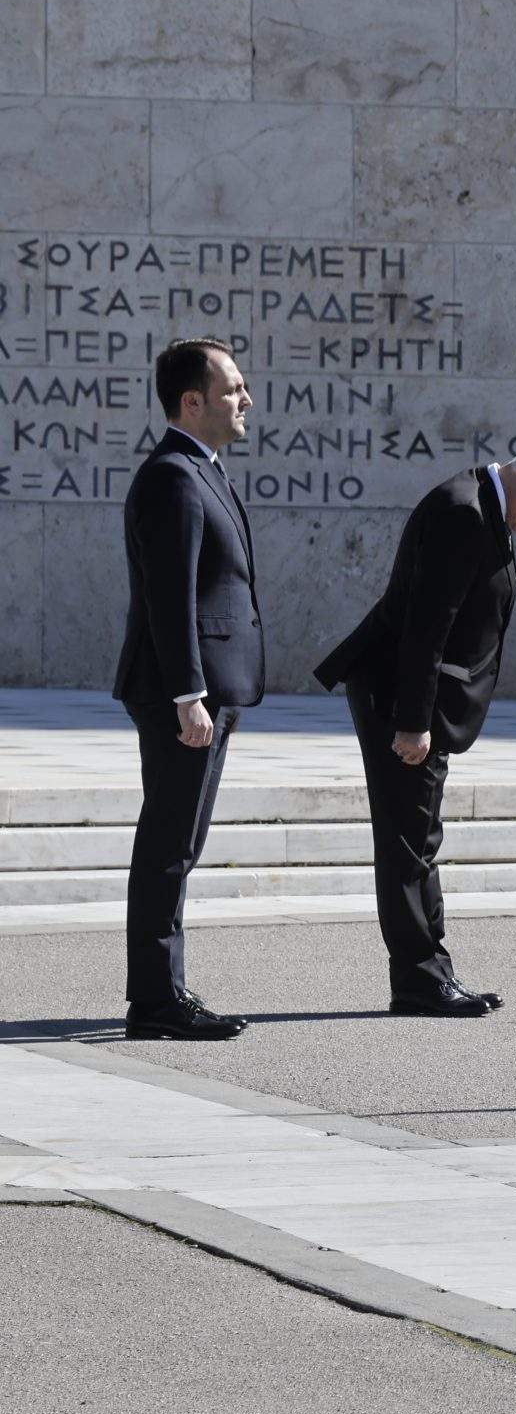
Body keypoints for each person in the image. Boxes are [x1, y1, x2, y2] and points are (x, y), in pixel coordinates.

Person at [312, 443, 516, 1017]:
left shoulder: (483, 505)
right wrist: (412, 723)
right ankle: (418, 979)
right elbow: (425, 625)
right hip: (402, 697)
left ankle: (432, 970)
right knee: (405, 840)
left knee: (420, 837)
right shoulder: (462, 511)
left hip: (421, 699)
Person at [115, 339, 263, 1042]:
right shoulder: (174, 475)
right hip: (186, 696)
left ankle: (163, 990)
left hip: (205, 691)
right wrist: (187, 695)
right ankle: (155, 1000)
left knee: (183, 842)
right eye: (233, 387)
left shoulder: (202, 470)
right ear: (192, 401)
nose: (247, 399)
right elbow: (169, 598)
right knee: (169, 844)